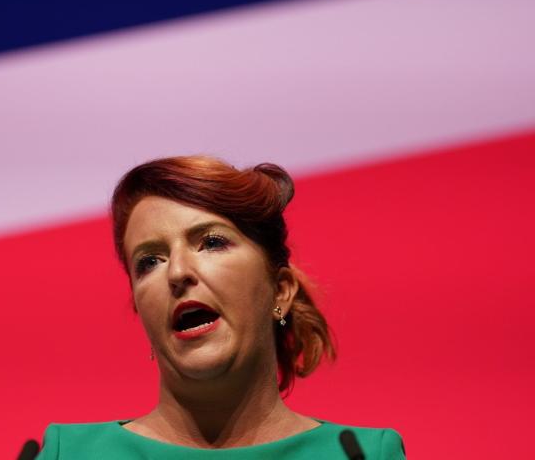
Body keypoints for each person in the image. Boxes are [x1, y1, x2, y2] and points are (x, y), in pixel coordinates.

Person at [35, 155, 405, 459]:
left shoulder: (363, 455)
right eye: (149, 261)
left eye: (211, 242)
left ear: (280, 292)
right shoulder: (67, 453)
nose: (177, 272)